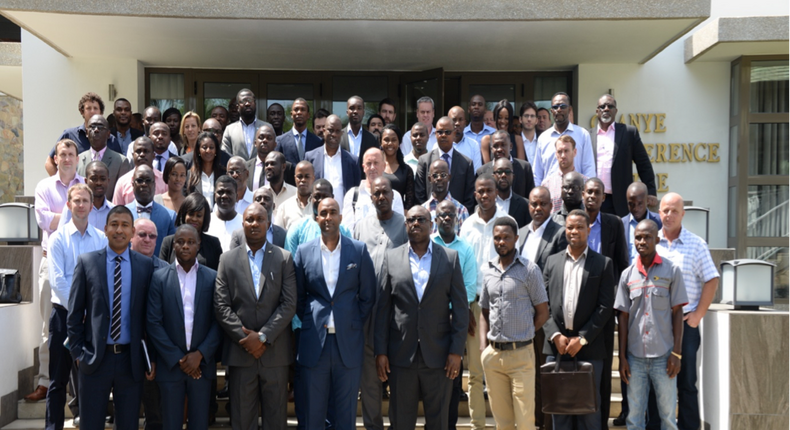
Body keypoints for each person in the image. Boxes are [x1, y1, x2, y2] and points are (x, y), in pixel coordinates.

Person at [375, 205, 468, 430]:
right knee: (401, 423)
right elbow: (383, 310)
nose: (415, 223)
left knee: (438, 423)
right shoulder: (391, 258)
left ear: (431, 224)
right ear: (405, 224)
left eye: (421, 219)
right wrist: (381, 351)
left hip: (439, 357)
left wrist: (456, 351)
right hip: (400, 356)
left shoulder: (450, 258)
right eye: (410, 220)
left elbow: (461, 309)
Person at [66, 205, 156, 430]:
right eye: (114, 225)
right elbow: (74, 314)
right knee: (91, 424)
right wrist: (79, 353)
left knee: (127, 425)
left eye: (125, 225)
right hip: (95, 360)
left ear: (132, 231)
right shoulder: (87, 263)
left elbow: (150, 317)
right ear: (105, 229)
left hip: (130, 361)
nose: (119, 230)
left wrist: (150, 357)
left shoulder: (145, 266)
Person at [294, 198, 376, 430]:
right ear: (316, 218)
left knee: (345, 416)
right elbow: (299, 298)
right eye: (323, 213)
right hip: (314, 345)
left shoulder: (358, 251)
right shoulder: (303, 252)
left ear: (341, 217)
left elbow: (368, 296)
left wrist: (350, 320)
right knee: (313, 415)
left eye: (333, 212)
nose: (328, 217)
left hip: (347, 344)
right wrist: (313, 319)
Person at [215, 203, 297, 430]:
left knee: (276, 420)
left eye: (259, 219)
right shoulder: (227, 260)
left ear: (268, 224)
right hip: (241, 355)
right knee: (242, 420)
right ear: (242, 224)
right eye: (249, 219)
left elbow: (289, 304)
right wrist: (247, 339)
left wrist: (262, 337)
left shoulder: (283, 258)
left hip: (275, 354)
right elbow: (221, 306)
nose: (254, 224)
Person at [542, 209, 615, 430]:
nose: (574, 231)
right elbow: (542, 303)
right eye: (570, 227)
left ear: (589, 230)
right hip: (557, 348)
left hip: (589, 349)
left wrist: (582, 339)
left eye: (579, 227)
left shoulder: (603, 264)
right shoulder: (552, 261)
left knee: (589, 414)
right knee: (559, 412)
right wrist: (555, 334)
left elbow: (605, 307)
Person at [146, 224, 220, 430]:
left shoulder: (212, 277)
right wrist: (179, 358)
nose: (185, 246)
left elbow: (218, 321)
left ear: (199, 245)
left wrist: (200, 355)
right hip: (171, 368)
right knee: (170, 424)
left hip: (201, 367)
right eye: (180, 242)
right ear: (173, 245)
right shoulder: (159, 278)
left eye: (190, 242)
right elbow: (153, 322)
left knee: (199, 424)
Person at [46, 184, 107, 430]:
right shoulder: (57, 239)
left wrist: (87, 312)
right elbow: (58, 280)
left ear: (92, 206)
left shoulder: (101, 238)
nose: (81, 205)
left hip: (90, 320)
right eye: (76, 201)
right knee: (58, 380)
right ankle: (53, 427)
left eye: (85, 201)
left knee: (89, 379)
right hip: (63, 317)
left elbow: (102, 279)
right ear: (69, 205)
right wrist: (78, 311)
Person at [656, 193, 720, 430]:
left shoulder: (697, 244)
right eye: (665, 210)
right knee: (656, 381)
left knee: (687, 383)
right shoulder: (651, 242)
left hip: (685, 326)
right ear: (659, 213)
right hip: (657, 326)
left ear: (683, 214)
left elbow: (712, 279)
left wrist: (697, 316)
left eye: (674, 211)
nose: (669, 215)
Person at [479, 216, 549, 430]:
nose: (501, 242)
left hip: (521, 356)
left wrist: (525, 331)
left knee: (526, 421)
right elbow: (483, 311)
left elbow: (543, 313)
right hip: (494, 356)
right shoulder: (488, 270)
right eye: (497, 238)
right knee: (502, 423)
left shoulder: (529, 270)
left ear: (516, 239)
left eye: (506, 238)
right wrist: (483, 347)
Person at [616, 220, 687, 430]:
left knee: (667, 418)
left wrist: (677, 353)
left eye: (647, 237)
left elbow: (677, 312)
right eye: (638, 237)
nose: (642, 241)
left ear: (657, 239)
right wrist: (622, 358)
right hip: (635, 358)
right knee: (634, 418)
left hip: (664, 357)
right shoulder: (627, 275)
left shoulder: (671, 270)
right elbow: (623, 317)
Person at [29, 139, 84, 403]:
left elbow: (88, 218)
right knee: (49, 325)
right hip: (50, 262)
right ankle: (45, 381)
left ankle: (78, 387)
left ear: (77, 157)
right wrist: (73, 212)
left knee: (83, 322)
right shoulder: (44, 186)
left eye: (71, 153)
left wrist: (59, 216)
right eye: (61, 154)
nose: (66, 158)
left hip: (81, 263)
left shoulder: (84, 184)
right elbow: (42, 220)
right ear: (55, 158)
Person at [352, 177, 408, 430]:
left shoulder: (406, 226)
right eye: (377, 193)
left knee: (397, 380)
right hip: (367, 314)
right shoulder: (361, 227)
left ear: (393, 196)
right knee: (370, 382)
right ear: (371, 197)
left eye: (386, 192)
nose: (382, 196)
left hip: (398, 314)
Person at [460, 174, 513, 430]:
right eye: (480, 190)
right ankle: (477, 426)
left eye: (488, 190)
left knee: (501, 369)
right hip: (473, 303)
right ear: (475, 193)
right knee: (475, 373)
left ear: (496, 192)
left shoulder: (507, 223)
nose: (484, 195)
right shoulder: (467, 225)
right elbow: (460, 269)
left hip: (502, 304)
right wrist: (465, 307)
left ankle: (504, 424)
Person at [516, 186, 566, 430]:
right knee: (527, 373)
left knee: (544, 374)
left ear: (551, 206)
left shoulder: (560, 234)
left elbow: (555, 277)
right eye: (534, 204)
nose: (538, 208)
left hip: (545, 317)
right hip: (522, 316)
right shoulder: (522, 232)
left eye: (543, 204)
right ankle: (533, 422)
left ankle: (547, 424)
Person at [583, 178, 629, 430]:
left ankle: (599, 424)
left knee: (601, 371)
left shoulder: (613, 223)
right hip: (575, 308)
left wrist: (615, 299)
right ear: (582, 194)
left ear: (603, 197)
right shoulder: (573, 222)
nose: (592, 196)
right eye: (588, 191)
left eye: (597, 193)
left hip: (604, 307)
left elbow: (622, 263)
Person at [430, 200, 478, 429]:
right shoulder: (426, 244)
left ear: (457, 218)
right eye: (442, 215)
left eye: (450, 215)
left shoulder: (465, 249)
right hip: (429, 322)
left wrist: (450, 311)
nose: (446, 218)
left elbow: (469, 288)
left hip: (454, 321)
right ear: (435, 219)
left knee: (453, 379)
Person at [590, 95, 657, 215]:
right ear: (597, 111)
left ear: (615, 111)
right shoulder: (587, 136)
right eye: (602, 106)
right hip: (595, 200)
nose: (606, 109)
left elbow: (643, 164)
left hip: (621, 201)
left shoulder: (628, 132)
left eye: (610, 106)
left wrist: (651, 191)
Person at [45, 92, 122, 176]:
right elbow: (49, 162)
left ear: (101, 112)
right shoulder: (69, 135)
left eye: (95, 108)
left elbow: (120, 165)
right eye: (88, 108)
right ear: (82, 112)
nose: (92, 111)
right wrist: (63, 185)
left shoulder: (110, 139)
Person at [415, 116, 476, 214]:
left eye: (447, 132)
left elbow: (469, 198)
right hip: (429, 219)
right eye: (440, 132)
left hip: (457, 219)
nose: (443, 135)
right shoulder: (424, 161)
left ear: (454, 134)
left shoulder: (466, 163)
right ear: (435, 134)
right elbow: (419, 195)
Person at [534, 93, 596, 185]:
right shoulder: (543, 138)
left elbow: (589, 169)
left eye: (563, 106)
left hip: (576, 194)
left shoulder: (582, 134)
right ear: (551, 111)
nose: (559, 110)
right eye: (555, 107)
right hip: (549, 195)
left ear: (569, 109)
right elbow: (537, 174)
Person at [305, 114, 361, 210]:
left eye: (337, 131)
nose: (334, 134)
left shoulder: (353, 161)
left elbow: (357, 191)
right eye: (330, 130)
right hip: (317, 216)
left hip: (344, 217)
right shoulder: (310, 157)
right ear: (324, 131)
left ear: (341, 133)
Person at [342, 148, 405, 230]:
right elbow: (347, 230)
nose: (372, 167)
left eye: (376, 163)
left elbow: (399, 228)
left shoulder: (395, 196)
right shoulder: (352, 195)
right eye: (368, 163)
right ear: (363, 167)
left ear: (384, 166)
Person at [159, 193, 222, 271]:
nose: (194, 219)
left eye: (199, 215)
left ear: (204, 218)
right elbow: (162, 274)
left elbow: (219, 274)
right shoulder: (168, 242)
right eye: (191, 214)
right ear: (184, 214)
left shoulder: (213, 243)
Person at [76, 115, 131, 203]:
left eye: (101, 127)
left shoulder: (121, 161)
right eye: (92, 127)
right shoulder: (77, 160)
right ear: (86, 132)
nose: (96, 130)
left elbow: (122, 194)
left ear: (108, 134)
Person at [125, 165, 177, 257]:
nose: (144, 184)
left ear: (154, 185)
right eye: (140, 180)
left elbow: (172, 252)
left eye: (148, 181)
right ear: (132, 184)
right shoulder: (122, 215)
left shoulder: (169, 216)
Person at [476, 130, 536, 201]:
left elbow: (531, 197)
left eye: (503, 145)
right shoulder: (482, 172)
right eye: (496, 146)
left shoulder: (524, 168)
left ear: (510, 146)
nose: (499, 149)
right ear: (491, 149)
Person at [59, 161, 115, 231]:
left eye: (103, 179)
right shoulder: (73, 208)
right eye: (94, 179)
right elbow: (62, 235)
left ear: (108, 181)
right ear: (86, 181)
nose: (99, 183)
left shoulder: (113, 211)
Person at [113, 137, 168, 205]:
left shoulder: (164, 180)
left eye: (146, 151)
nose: (142, 154)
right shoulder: (122, 182)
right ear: (133, 155)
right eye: (138, 151)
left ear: (153, 155)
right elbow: (117, 212)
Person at [421, 159, 469, 235]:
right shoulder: (423, 210)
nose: (439, 178)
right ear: (429, 179)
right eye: (435, 175)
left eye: (443, 175)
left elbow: (464, 240)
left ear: (449, 177)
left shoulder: (461, 210)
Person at [542, 135, 587, 213]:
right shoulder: (547, 185)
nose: (563, 155)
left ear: (575, 152)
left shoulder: (586, 183)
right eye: (560, 152)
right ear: (556, 154)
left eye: (566, 151)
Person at [622, 182, 663, 265]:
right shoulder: (621, 224)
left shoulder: (660, 221)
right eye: (631, 204)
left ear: (647, 201)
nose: (636, 208)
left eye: (640, 203)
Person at [222, 89, 268, 160]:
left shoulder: (267, 127)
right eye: (243, 101)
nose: (247, 104)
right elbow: (225, 155)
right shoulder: (229, 130)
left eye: (250, 100)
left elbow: (273, 153)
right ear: (237, 107)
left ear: (255, 103)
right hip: (237, 170)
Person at [276, 98, 322, 166]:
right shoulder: (280, 141)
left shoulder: (318, 141)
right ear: (291, 114)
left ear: (308, 115)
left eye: (303, 109)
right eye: (296, 109)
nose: (299, 112)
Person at [379, 124, 416, 209]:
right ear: (380, 142)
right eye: (386, 140)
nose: (390, 143)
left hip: (399, 217)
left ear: (399, 143)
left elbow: (410, 200)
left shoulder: (406, 170)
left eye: (394, 140)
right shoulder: (375, 168)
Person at [187, 132, 226, 208]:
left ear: (216, 150)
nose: (208, 150)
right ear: (198, 150)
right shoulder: (189, 175)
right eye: (204, 147)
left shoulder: (223, 174)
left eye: (211, 147)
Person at [273, 160, 315, 230]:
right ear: (295, 178)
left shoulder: (318, 206)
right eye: (300, 176)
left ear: (313, 178)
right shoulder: (284, 207)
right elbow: (278, 235)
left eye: (307, 177)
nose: (303, 180)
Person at [480, 100, 525, 164]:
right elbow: (487, 168)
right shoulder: (486, 140)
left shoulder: (517, 139)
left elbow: (520, 167)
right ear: (495, 118)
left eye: (506, 118)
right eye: (499, 117)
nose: (503, 121)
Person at [490, 158, 531, 228]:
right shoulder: (487, 204)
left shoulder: (525, 205)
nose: (503, 175)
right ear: (493, 176)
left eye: (508, 171)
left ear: (513, 176)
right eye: (499, 172)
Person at [206, 175, 243, 252]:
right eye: (220, 192)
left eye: (229, 192)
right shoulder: (206, 221)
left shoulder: (244, 223)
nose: (225, 196)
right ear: (215, 196)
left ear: (236, 197)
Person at [340, 96, 379, 167]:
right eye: (352, 108)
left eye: (359, 108)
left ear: (363, 112)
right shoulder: (339, 136)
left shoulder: (373, 139)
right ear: (347, 112)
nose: (355, 111)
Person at [448, 106, 483, 172]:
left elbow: (477, 173)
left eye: (460, 120)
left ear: (465, 123)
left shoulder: (473, 145)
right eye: (454, 120)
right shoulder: (439, 145)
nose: (457, 123)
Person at [246, 124, 278, 190]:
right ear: (255, 143)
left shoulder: (285, 167)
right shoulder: (246, 167)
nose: (265, 140)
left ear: (275, 144)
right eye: (261, 137)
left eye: (269, 138)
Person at [519, 102, 540, 166]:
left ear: (536, 120)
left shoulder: (543, 140)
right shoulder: (515, 140)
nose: (529, 119)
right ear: (520, 119)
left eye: (532, 116)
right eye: (526, 116)